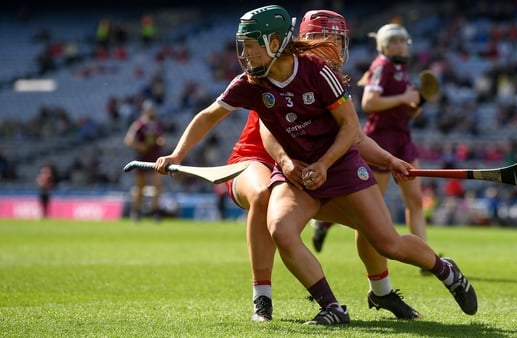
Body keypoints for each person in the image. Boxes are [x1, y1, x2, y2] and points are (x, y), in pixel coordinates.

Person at [155, 5, 477, 325]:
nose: (246, 54)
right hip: (295, 172)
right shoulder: (252, 82)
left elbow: (352, 130)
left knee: (387, 242)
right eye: (245, 46)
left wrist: (364, 161)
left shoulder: (318, 72)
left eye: (252, 45)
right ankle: (332, 307)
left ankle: (445, 270)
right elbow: (211, 115)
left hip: (340, 168)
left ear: (275, 41)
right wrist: (177, 155)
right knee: (281, 228)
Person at [223, 9, 420, 323]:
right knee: (263, 197)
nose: (330, 47)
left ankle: (381, 291)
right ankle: (262, 298)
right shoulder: (278, 73)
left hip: (308, 167)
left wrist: (388, 160)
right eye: (321, 39)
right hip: (261, 159)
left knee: (372, 224)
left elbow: (353, 136)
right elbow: (268, 134)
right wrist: (289, 164)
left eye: (336, 41)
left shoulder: (326, 80)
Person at [311, 22, 430, 265]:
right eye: (394, 41)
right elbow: (369, 102)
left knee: (415, 200)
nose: (399, 45)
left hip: (403, 138)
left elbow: (401, 110)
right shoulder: (380, 67)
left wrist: (413, 107)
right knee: (372, 206)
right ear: (384, 46)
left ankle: (424, 256)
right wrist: (405, 97)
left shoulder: (400, 69)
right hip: (381, 139)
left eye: (402, 41)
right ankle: (324, 222)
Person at [124, 99, 165, 222]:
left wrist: (160, 142)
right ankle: (136, 211)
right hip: (142, 159)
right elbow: (129, 140)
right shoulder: (139, 124)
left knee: (158, 186)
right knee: (140, 187)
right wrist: (140, 146)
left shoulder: (157, 124)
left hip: (155, 159)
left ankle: (156, 211)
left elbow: (161, 138)